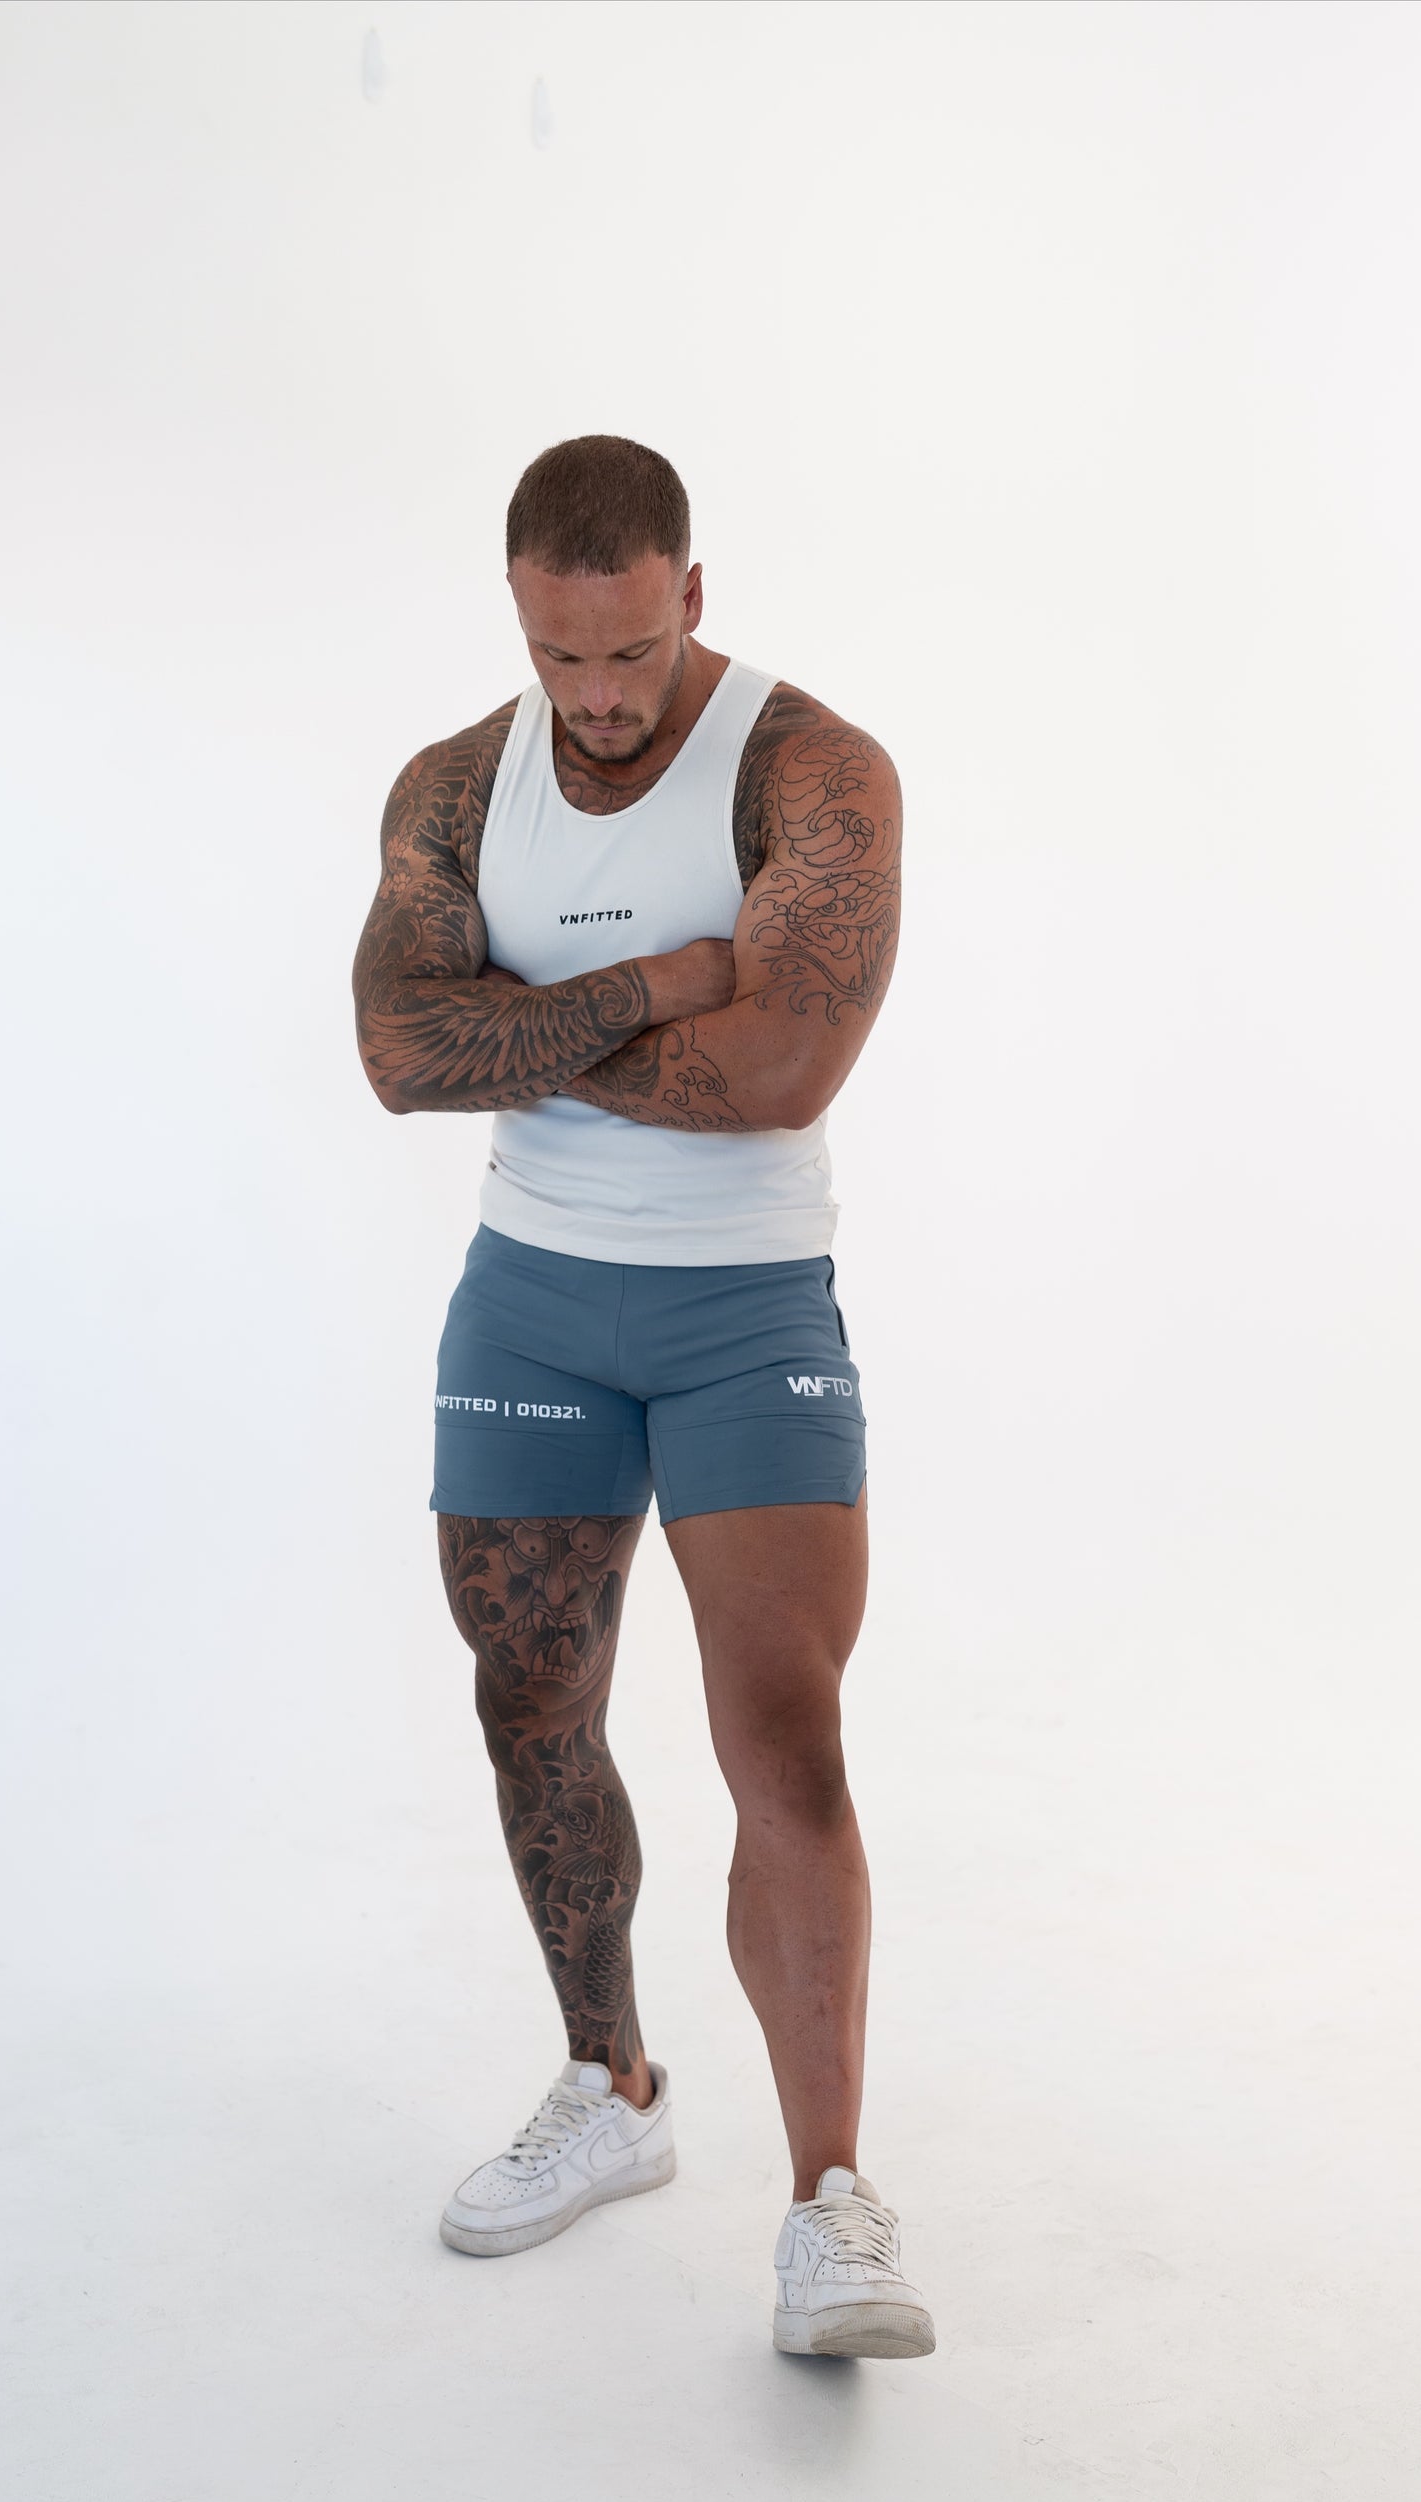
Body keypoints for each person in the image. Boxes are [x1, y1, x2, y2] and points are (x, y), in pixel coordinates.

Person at [350, 434, 931, 2359]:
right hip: (529, 1308)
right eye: (559, 656)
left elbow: (781, 1078)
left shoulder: (808, 770)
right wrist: (661, 982)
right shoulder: (456, 787)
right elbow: (393, 1051)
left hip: (744, 1309)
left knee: (787, 1745)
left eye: (626, 651)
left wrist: (512, 1029)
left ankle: (831, 2203)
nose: (596, 697)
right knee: (530, 1707)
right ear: (519, 615)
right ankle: (611, 2090)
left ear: (689, 593)